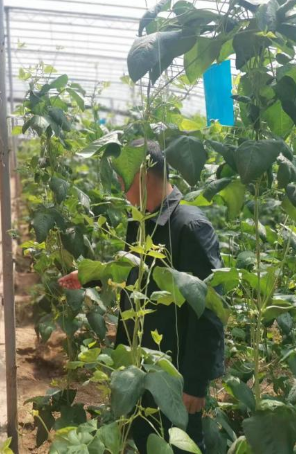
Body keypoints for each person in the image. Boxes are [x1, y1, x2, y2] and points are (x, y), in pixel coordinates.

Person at [58, 140, 225, 453]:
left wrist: (195, 383)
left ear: (144, 173)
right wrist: (91, 275)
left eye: (123, 177)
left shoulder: (189, 226)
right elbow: (133, 271)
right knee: (145, 438)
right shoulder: (141, 221)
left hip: (173, 377)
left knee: (179, 445)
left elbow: (209, 310)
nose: (120, 186)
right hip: (141, 363)